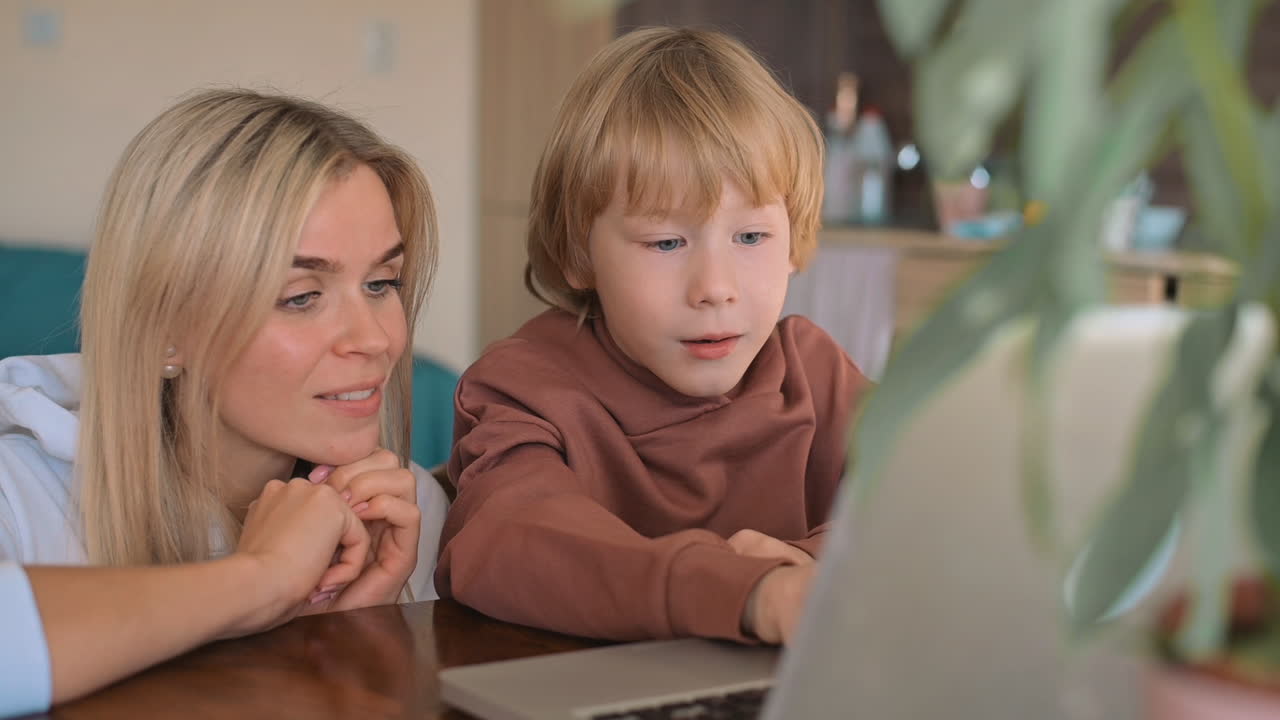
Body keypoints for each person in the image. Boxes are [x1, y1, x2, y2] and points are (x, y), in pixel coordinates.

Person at [0, 88, 449, 711]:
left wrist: (345, 639)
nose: (376, 339)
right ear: (166, 331)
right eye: (301, 297)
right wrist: (262, 579)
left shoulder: (402, 511)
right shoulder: (17, 497)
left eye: (381, 283)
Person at [435, 27, 869, 645]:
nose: (715, 287)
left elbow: (931, 502)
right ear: (579, 254)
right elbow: (506, 538)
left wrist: (817, 563)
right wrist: (746, 591)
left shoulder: (817, 374)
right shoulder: (523, 388)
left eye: (751, 237)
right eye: (666, 242)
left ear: (794, 241)